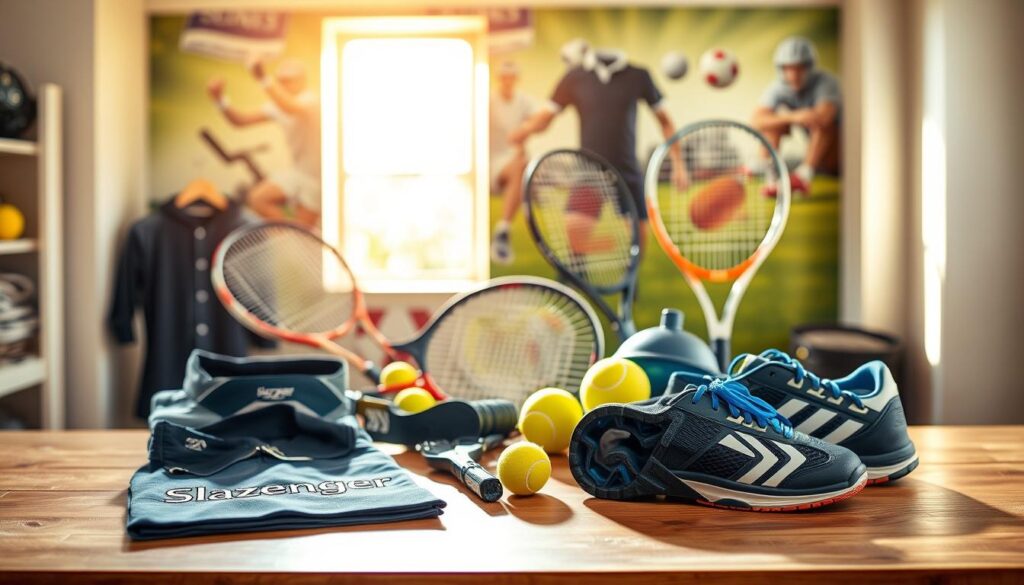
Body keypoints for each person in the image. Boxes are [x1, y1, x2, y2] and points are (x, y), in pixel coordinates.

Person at [508, 48, 686, 253]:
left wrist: (678, 164)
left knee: (638, 245)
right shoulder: (575, 77)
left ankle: (629, 278)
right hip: (588, 171)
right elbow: (546, 117)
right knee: (576, 242)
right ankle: (585, 276)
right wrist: (524, 130)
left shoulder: (638, 75)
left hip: (627, 171)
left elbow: (664, 121)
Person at [207, 58, 321, 227]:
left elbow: (290, 106)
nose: (284, 84)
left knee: (306, 230)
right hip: (298, 172)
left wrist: (263, 79)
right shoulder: (277, 105)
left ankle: (299, 231)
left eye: (288, 80)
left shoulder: (311, 100)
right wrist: (219, 100)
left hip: (317, 178)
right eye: (280, 80)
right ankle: (294, 231)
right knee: (257, 198)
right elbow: (240, 121)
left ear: (302, 80)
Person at [752, 37, 841, 195]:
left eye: (799, 68)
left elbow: (824, 118)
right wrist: (793, 117)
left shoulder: (826, 82)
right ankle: (773, 180)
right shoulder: (777, 88)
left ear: (809, 67)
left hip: (838, 154)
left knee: (822, 123)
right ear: (781, 69)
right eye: (788, 68)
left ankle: (802, 176)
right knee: (772, 125)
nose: (794, 74)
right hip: (816, 154)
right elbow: (757, 121)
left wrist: (799, 116)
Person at [489, 62, 535, 265]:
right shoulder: (487, 100)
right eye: (503, 77)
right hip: (487, 161)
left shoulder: (524, 101)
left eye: (511, 77)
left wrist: (524, 133)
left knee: (522, 164)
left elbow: (534, 122)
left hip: (511, 161)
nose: (507, 81)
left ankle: (503, 231)